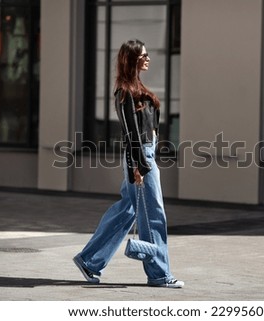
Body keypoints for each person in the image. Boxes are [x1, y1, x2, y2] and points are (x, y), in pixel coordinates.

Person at [73, 39, 184, 288]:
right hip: (140, 158)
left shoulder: (137, 88)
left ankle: (90, 260)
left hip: (146, 154)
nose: (148, 58)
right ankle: (159, 274)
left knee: (128, 211)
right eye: (143, 55)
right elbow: (130, 133)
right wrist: (139, 166)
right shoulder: (124, 92)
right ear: (132, 59)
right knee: (154, 215)